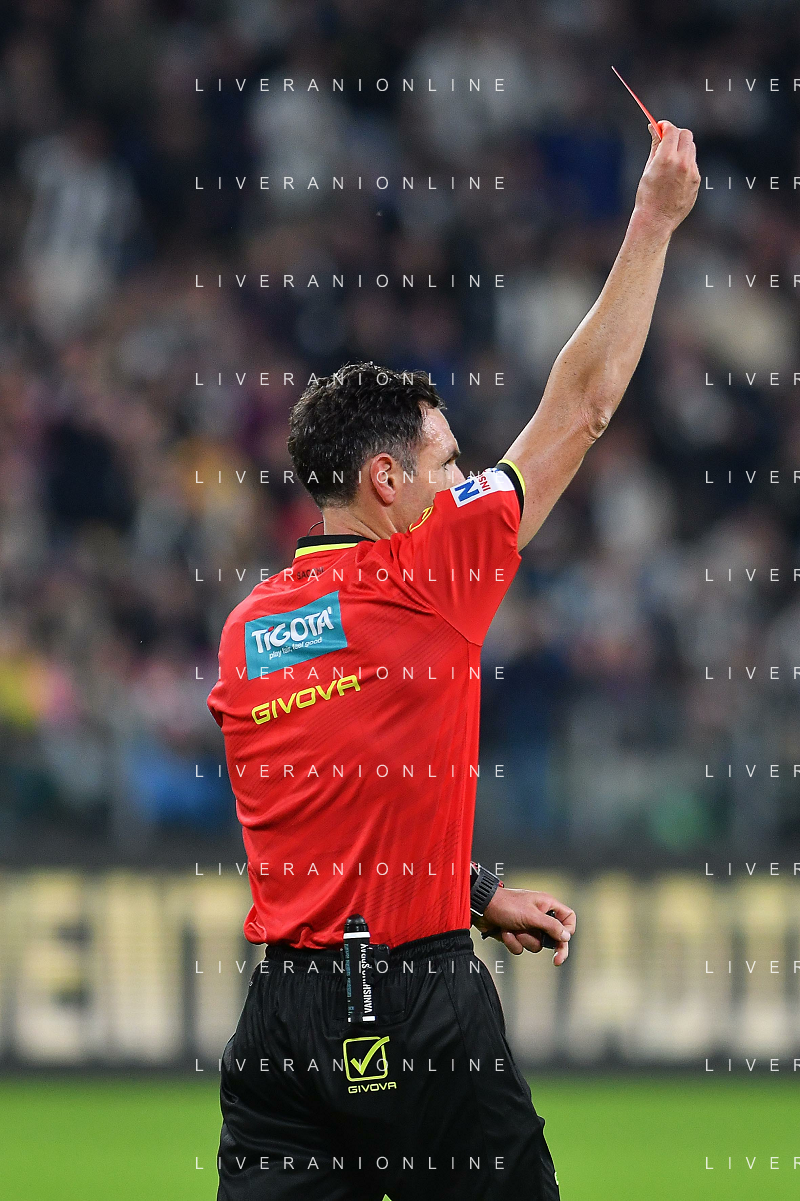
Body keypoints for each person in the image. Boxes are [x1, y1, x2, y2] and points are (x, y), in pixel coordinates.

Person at [207, 120, 699, 1200]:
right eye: (446, 462)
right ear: (387, 481)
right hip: (418, 1008)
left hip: (282, 1027)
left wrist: (472, 890)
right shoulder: (426, 572)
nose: (462, 480)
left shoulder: (248, 629)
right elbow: (583, 404)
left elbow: (337, 810)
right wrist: (654, 219)